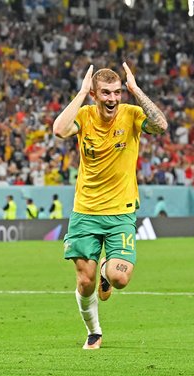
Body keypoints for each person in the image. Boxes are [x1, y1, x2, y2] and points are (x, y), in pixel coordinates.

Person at [53, 62, 167, 349]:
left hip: (121, 212)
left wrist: (136, 90)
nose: (112, 99)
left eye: (117, 92)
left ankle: (107, 269)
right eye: (105, 92)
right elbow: (59, 130)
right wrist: (80, 93)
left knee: (119, 278)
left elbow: (161, 125)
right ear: (95, 94)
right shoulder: (84, 114)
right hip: (86, 212)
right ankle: (94, 331)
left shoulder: (131, 114)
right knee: (85, 281)